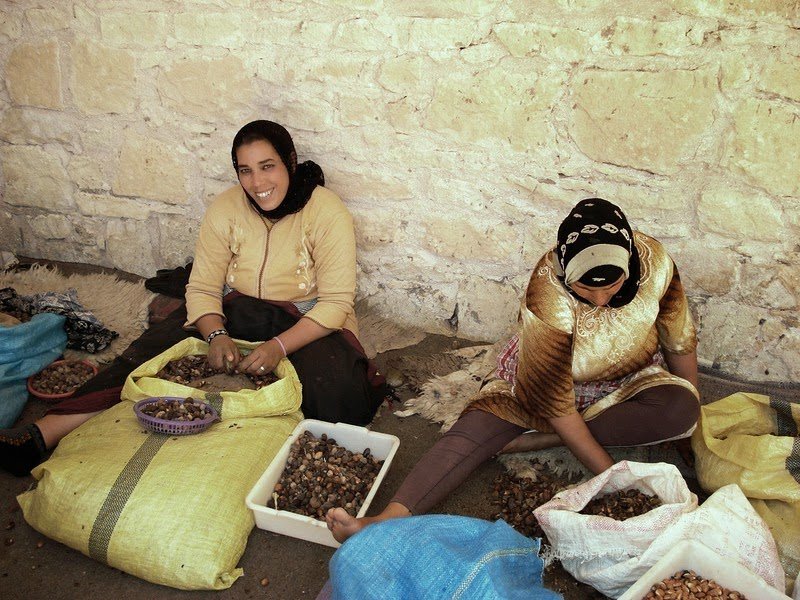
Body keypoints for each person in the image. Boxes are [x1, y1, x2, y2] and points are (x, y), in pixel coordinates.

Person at [0, 120, 385, 477]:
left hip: (307, 319)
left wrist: (277, 348)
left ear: (290, 162)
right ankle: (42, 434)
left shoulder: (325, 210)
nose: (257, 182)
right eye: (245, 170)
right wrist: (216, 334)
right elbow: (202, 288)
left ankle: (257, 453)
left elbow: (335, 303)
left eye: (268, 166)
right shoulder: (227, 207)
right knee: (148, 354)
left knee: (339, 392)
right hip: (238, 308)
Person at [327, 197, 700, 542]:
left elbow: (678, 340)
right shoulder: (547, 291)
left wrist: (692, 426)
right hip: (549, 382)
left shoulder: (655, 266)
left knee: (681, 409)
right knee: (470, 433)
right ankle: (383, 520)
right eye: (586, 288)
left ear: (630, 265)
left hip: (629, 378)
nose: (601, 300)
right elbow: (556, 402)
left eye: (614, 284)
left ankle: (543, 439)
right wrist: (611, 479)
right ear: (566, 270)